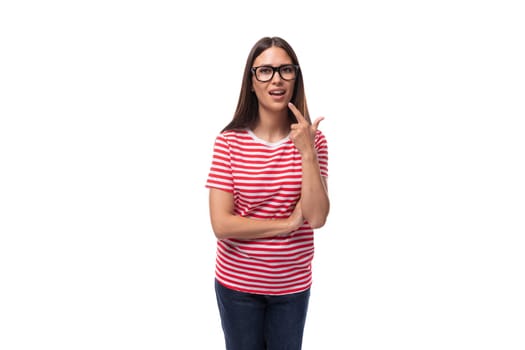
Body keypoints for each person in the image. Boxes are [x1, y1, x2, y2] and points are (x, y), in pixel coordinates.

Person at [205, 36, 330, 350]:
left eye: (286, 70)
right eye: (265, 71)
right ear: (251, 81)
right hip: (237, 286)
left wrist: (307, 154)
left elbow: (316, 217)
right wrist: (287, 225)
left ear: (295, 78)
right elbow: (222, 225)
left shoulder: (314, 142)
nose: (276, 79)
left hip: (291, 287)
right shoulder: (229, 142)